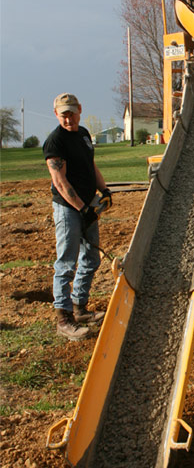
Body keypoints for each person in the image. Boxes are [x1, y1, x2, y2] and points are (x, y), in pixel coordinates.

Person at [43, 93, 112, 341]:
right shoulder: (55, 142)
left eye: (72, 112)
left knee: (91, 258)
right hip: (68, 209)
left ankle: (79, 308)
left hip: (87, 206)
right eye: (64, 114)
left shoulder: (83, 134)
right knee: (66, 264)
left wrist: (104, 190)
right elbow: (60, 182)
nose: (69, 118)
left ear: (79, 109)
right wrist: (82, 209)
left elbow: (91, 166)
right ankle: (64, 319)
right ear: (56, 114)